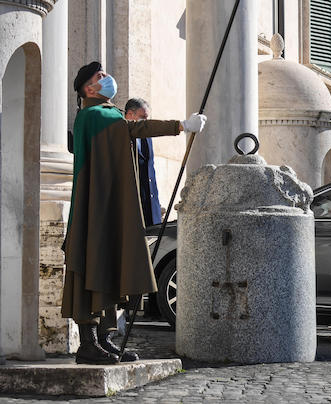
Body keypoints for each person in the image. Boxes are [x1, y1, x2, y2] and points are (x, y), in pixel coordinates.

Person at [62, 61, 207, 364]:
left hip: (110, 207)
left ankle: (104, 340)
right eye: (99, 77)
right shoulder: (93, 115)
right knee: (94, 269)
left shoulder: (108, 114)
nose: (107, 79)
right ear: (88, 89)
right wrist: (179, 126)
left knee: (112, 268)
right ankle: (87, 345)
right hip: (95, 210)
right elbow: (133, 128)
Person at [124, 98, 162, 227]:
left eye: (147, 119)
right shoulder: (121, 134)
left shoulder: (147, 138)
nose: (146, 123)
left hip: (150, 204)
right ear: (129, 115)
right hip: (132, 204)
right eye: (142, 118)